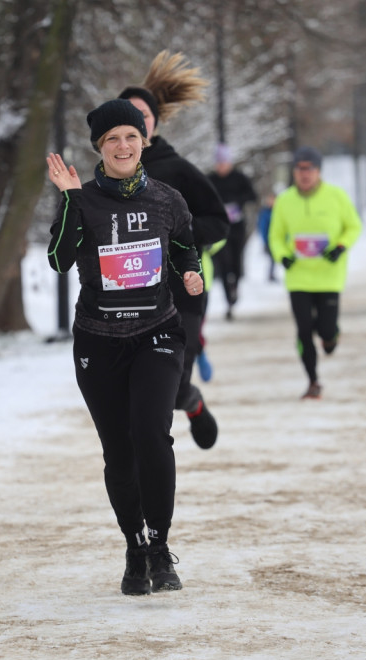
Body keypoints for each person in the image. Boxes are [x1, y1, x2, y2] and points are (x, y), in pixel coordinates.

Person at [46, 99, 204, 596]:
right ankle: (134, 546)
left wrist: (191, 272)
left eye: (130, 137)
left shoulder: (167, 199)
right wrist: (71, 199)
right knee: (119, 449)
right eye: (112, 138)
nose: (122, 146)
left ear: (144, 142)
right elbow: (59, 258)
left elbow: (182, 246)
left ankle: (159, 544)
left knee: (152, 435)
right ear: (99, 147)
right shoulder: (83, 199)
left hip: (157, 332)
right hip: (99, 340)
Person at [118, 50, 229, 449]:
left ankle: (188, 405)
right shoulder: (107, 178)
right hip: (128, 296)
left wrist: (177, 235)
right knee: (140, 385)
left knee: (170, 381)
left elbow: (218, 220)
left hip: (184, 290)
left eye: (141, 118)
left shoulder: (177, 168)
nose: (133, 125)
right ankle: (149, 451)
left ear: (153, 124)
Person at [268, 146, 362, 400]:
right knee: (303, 330)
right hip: (298, 276)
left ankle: (331, 337)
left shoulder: (336, 197)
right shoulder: (285, 200)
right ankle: (312, 380)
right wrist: (282, 256)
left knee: (326, 330)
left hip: (329, 276)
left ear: (319, 171)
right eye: (300, 169)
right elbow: (275, 236)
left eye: (310, 169)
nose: (305, 174)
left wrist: (340, 247)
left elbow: (353, 226)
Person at [207, 143, 258, 320]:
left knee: (235, 262)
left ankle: (235, 286)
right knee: (223, 263)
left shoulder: (239, 178)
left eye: (224, 162)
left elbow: (252, 195)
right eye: (218, 163)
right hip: (219, 228)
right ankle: (228, 298)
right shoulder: (210, 179)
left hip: (237, 227)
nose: (221, 166)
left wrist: (237, 202)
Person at [256, 190, 277, 281]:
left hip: (277, 239)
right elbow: (262, 227)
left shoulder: (278, 211)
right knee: (272, 259)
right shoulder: (265, 212)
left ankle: (272, 274)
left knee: (275, 259)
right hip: (268, 240)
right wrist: (265, 239)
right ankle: (270, 274)